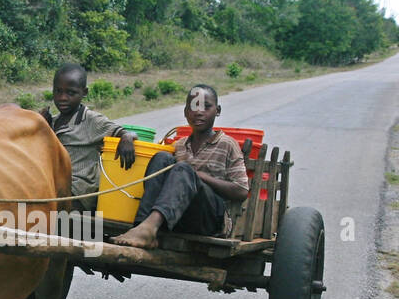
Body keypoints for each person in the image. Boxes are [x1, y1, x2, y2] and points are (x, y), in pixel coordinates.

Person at [113, 84, 249, 249]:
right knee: (162, 157)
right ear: (186, 112)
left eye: (206, 107)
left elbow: (241, 191)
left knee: (183, 169)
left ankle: (147, 230)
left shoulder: (227, 144)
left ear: (217, 110)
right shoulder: (179, 146)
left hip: (209, 220)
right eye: (193, 107)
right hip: (178, 216)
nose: (199, 112)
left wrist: (200, 176)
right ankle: (142, 226)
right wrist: (128, 136)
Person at [39, 63, 135, 211]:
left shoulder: (91, 120)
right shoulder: (53, 121)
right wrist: (41, 124)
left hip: (78, 191)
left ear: (84, 92)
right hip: (53, 184)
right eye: (58, 91)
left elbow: (122, 131)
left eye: (71, 93)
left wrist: (127, 138)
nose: (62, 98)